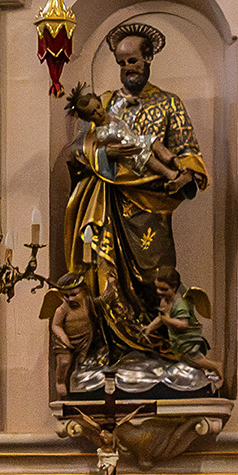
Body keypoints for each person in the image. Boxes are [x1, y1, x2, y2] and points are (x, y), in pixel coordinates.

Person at [59, 22, 214, 380]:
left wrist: (188, 174)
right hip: (110, 204)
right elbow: (81, 148)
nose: (128, 68)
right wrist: (102, 152)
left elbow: (186, 148)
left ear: (148, 58)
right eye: (121, 62)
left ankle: (163, 349)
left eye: (133, 60)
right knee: (107, 281)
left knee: (155, 275)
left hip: (151, 207)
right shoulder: (106, 103)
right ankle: (115, 349)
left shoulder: (168, 103)